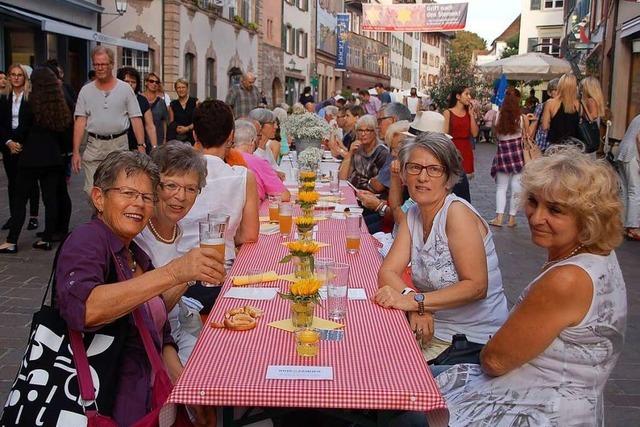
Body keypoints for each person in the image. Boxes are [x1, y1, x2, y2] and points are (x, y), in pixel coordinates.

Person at [436, 147, 626, 426]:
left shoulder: (568, 279)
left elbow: (495, 361)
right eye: (533, 202)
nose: (536, 218)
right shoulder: (600, 256)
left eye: (555, 210)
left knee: (405, 404)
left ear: (588, 216)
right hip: (568, 404)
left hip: (534, 408)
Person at [56, 150, 220, 426]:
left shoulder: (133, 253)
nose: (139, 204)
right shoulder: (88, 239)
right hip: (101, 398)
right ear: (99, 197)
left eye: (146, 197)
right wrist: (175, 272)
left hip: (146, 397)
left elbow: (160, 331)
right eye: (128, 193)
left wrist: (183, 388)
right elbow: (83, 309)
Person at [375, 133, 508, 361]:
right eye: (415, 167)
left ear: (448, 179)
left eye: (434, 169)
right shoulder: (414, 214)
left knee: (387, 370)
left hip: (471, 341)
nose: (423, 177)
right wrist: (414, 301)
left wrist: (417, 303)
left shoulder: (456, 213)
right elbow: (387, 271)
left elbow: (477, 286)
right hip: (432, 329)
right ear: (404, 174)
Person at [178, 100, 259, 307]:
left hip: (178, 277)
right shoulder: (243, 177)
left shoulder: (176, 177)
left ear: (195, 135)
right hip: (221, 278)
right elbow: (249, 235)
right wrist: (229, 233)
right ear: (231, 136)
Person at [135, 142, 209, 365]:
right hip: (150, 345)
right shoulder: (138, 238)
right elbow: (146, 316)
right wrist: (186, 276)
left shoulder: (177, 230)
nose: (181, 197)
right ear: (154, 186)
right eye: (171, 186)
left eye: (190, 189)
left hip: (178, 329)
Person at [0, 67, 72, 254]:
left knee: (20, 198)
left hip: (30, 157)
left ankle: (12, 240)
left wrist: (12, 142)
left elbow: (22, 129)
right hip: (53, 158)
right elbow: (64, 133)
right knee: (50, 199)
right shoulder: (59, 104)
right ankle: (47, 238)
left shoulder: (31, 102)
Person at [72, 46, 144, 193]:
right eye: (97, 64)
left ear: (111, 64)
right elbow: (80, 122)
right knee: (91, 190)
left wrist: (141, 145)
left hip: (119, 145)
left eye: (103, 64)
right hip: (94, 146)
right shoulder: (86, 91)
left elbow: (136, 119)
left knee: (117, 189)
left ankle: (109, 216)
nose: (100, 68)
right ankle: (98, 214)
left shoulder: (125, 89)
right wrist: (76, 151)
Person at [0, 64, 39, 232]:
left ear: (25, 78)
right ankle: (14, 216)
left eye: (19, 75)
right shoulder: (4, 98)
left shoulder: (31, 97)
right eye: (13, 75)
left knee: (30, 182)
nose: (16, 78)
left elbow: (32, 124)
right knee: (12, 183)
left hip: (26, 145)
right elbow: (1, 124)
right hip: (8, 146)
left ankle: (33, 216)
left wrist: (21, 142)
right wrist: (8, 142)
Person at [489, 88, 529, 228]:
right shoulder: (522, 118)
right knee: (516, 187)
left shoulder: (498, 115)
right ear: (518, 100)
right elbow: (528, 136)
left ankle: (499, 218)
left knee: (501, 187)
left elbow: (494, 134)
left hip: (503, 153)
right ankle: (511, 218)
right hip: (518, 154)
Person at [234, 119, 290, 202]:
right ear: (252, 141)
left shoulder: (225, 158)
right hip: (254, 211)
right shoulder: (257, 162)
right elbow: (284, 195)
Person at [117, 67, 158, 152]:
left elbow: (150, 126)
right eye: (127, 81)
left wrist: (154, 148)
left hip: (138, 147)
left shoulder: (142, 100)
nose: (130, 84)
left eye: (133, 82)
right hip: (117, 146)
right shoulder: (113, 99)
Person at [443, 86, 479, 180]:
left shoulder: (469, 113)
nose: (469, 97)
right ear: (458, 96)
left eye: (469, 94)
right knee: (451, 180)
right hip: (452, 149)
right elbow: (444, 134)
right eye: (466, 94)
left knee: (465, 182)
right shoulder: (447, 113)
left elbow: (475, 134)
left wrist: (471, 115)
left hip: (466, 149)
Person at [617, 113, 640, 241]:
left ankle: (622, 223)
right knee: (635, 190)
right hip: (632, 155)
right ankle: (632, 227)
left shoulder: (638, 117)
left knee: (625, 190)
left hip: (623, 152)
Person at [542, 73, 580, 147]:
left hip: (555, 145)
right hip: (574, 147)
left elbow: (545, 126)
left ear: (560, 85)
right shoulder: (578, 104)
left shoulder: (550, 103)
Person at [528, 77, 559, 152]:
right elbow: (534, 125)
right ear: (549, 92)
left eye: (558, 90)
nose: (557, 92)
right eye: (554, 90)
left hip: (556, 145)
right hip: (541, 143)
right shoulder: (541, 106)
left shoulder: (565, 107)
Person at [168, 78, 197, 145]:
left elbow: (198, 121)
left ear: (187, 88)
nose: (181, 90)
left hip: (192, 138)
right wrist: (176, 128)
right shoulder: (172, 104)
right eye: (178, 87)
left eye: (183, 87)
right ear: (176, 89)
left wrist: (187, 128)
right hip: (177, 138)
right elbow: (171, 122)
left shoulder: (195, 102)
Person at [143, 72, 169, 147]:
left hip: (158, 139)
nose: (154, 84)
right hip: (142, 140)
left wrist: (164, 139)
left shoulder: (161, 102)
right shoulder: (139, 99)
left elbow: (164, 121)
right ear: (146, 83)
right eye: (151, 81)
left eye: (157, 82)